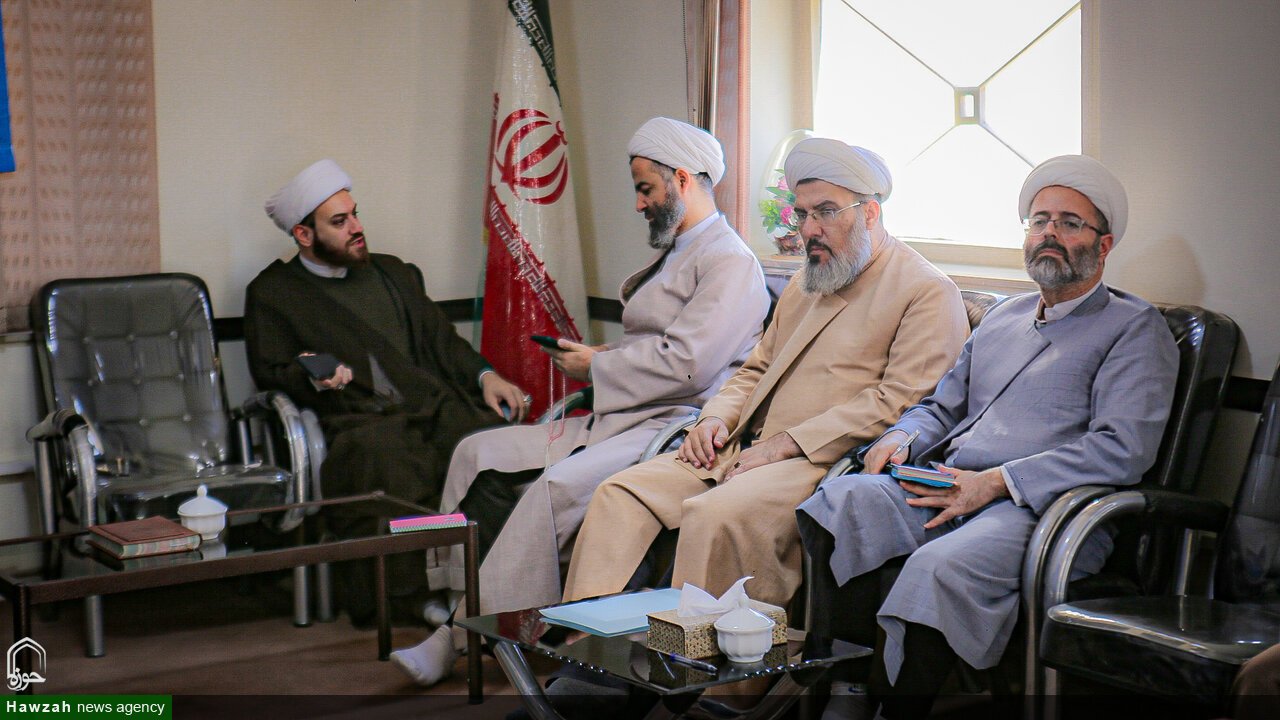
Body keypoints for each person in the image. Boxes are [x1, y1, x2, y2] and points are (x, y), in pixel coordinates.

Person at [390, 117, 771, 686]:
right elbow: (655, 344)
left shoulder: (731, 262)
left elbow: (689, 363)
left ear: (682, 179)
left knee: (554, 489)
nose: (639, 204)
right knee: (475, 452)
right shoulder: (680, 250)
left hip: (670, 427)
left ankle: (458, 634)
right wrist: (599, 356)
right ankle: (457, 596)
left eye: (646, 189)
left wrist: (596, 366)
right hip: (622, 410)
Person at [796, 154, 1181, 719]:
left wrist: (997, 482)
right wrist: (902, 437)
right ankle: (848, 689)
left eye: (1070, 223)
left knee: (937, 569)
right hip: (947, 485)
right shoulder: (1004, 317)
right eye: (1039, 221)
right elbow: (941, 405)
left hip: (1039, 509)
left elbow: (1121, 449)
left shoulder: (1134, 328)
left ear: (1103, 246)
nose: (1049, 233)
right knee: (843, 500)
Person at [559, 137, 970, 613]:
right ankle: (588, 644)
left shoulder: (926, 290)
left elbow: (902, 402)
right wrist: (714, 419)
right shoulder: (808, 280)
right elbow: (755, 368)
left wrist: (785, 445)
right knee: (619, 494)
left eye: (826, 212)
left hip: (816, 463)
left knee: (715, 516)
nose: (810, 229)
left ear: (870, 213)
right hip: (739, 446)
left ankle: (699, 657)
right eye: (802, 214)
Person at [245, 158, 528, 622]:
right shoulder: (274, 292)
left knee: (486, 450)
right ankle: (416, 597)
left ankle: (496, 585)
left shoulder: (395, 273)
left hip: (431, 406)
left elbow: (442, 341)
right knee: (389, 465)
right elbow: (272, 370)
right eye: (340, 222)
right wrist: (312, 374)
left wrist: (486, 376)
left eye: (355, 215)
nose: (357, 228)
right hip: (355, 421)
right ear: (303, 234)